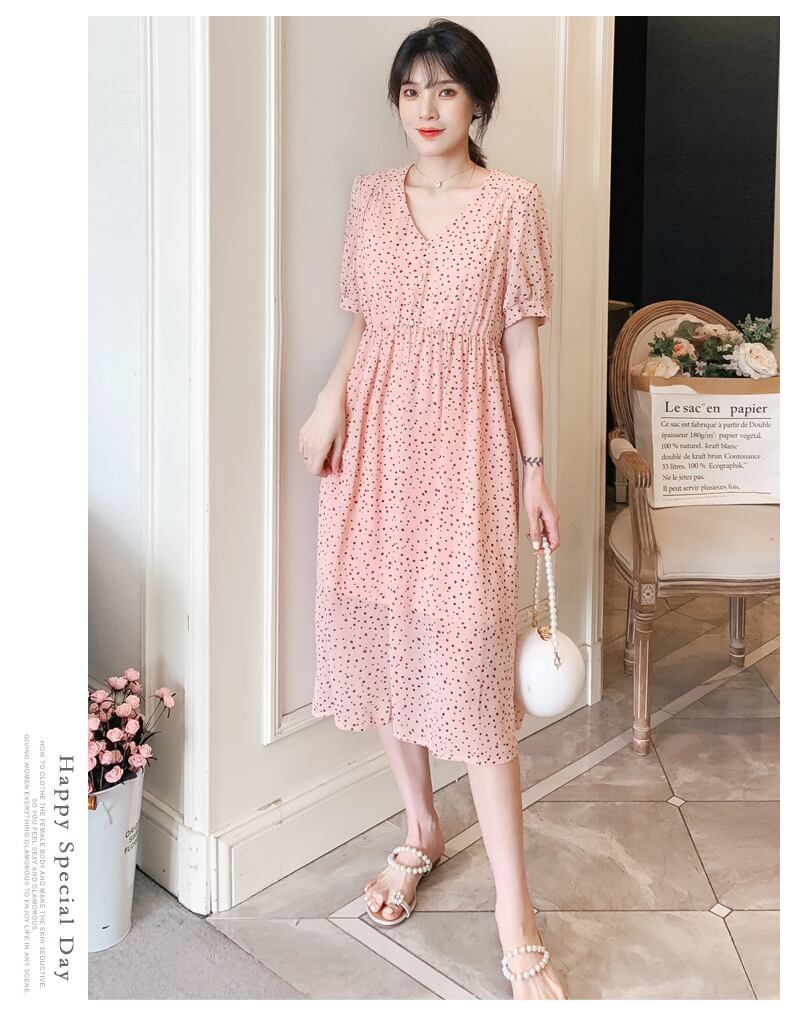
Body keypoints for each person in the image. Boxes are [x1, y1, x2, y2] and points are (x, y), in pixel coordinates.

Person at [298, 18, 565, 1000]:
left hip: (467, 447)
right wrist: (330, 400)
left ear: (476, 102)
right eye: (411, 89)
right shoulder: (372, 198)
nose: (426, 107)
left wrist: (535, 469)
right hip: (373, 440)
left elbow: (521, 344)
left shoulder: (513, 203)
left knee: (475, 677)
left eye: (445, 89)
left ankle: (515, 915)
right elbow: (366, 321)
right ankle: (420, 826)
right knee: (384, 636)